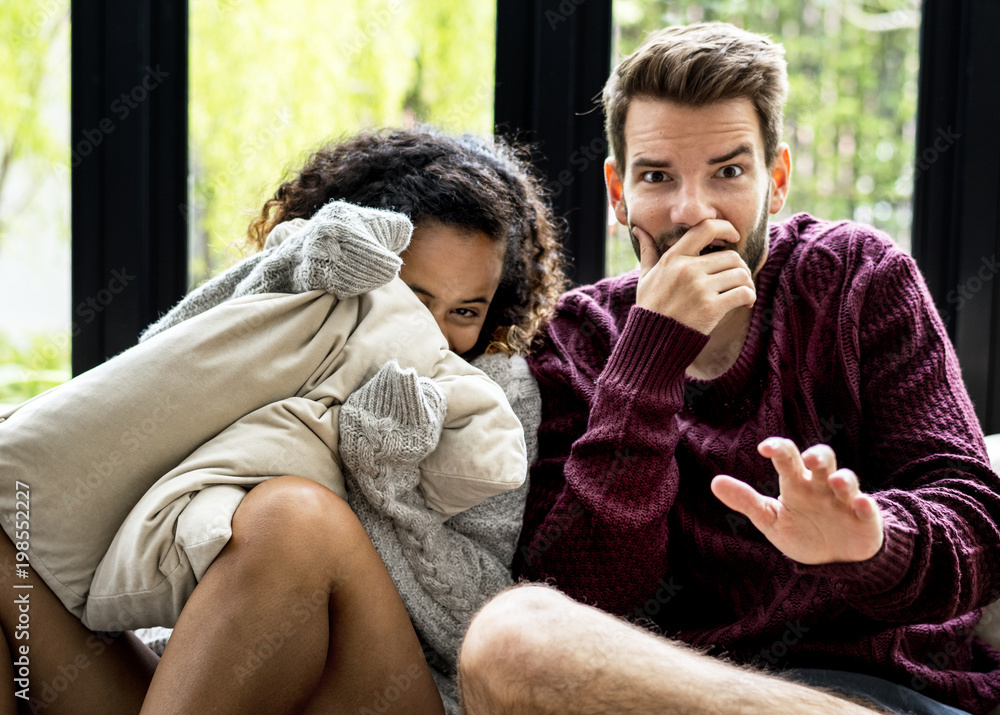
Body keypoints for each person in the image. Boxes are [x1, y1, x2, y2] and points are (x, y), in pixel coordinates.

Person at [456, 22, 1000, 715]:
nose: (693, 211)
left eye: (729, 172)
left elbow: (979, 528)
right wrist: (648, 362)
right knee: (510, 637)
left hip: (882, 691)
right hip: (664, 696)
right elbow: (584, 595)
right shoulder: (573, 339)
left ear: (777, 180)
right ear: (618, 191)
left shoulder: (859, 281)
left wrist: (873, 541)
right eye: (657, 176)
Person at [0, 128, 565, 714]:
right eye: (414, 299)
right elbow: (149, 375)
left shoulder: (493, 398)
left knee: (294, 517)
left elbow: (475, 622)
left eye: (466, 310)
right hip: (195, 672)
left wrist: (386, 485)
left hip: (385, 688)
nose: (435, 331)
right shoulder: (304, 325)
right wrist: (285, 272)